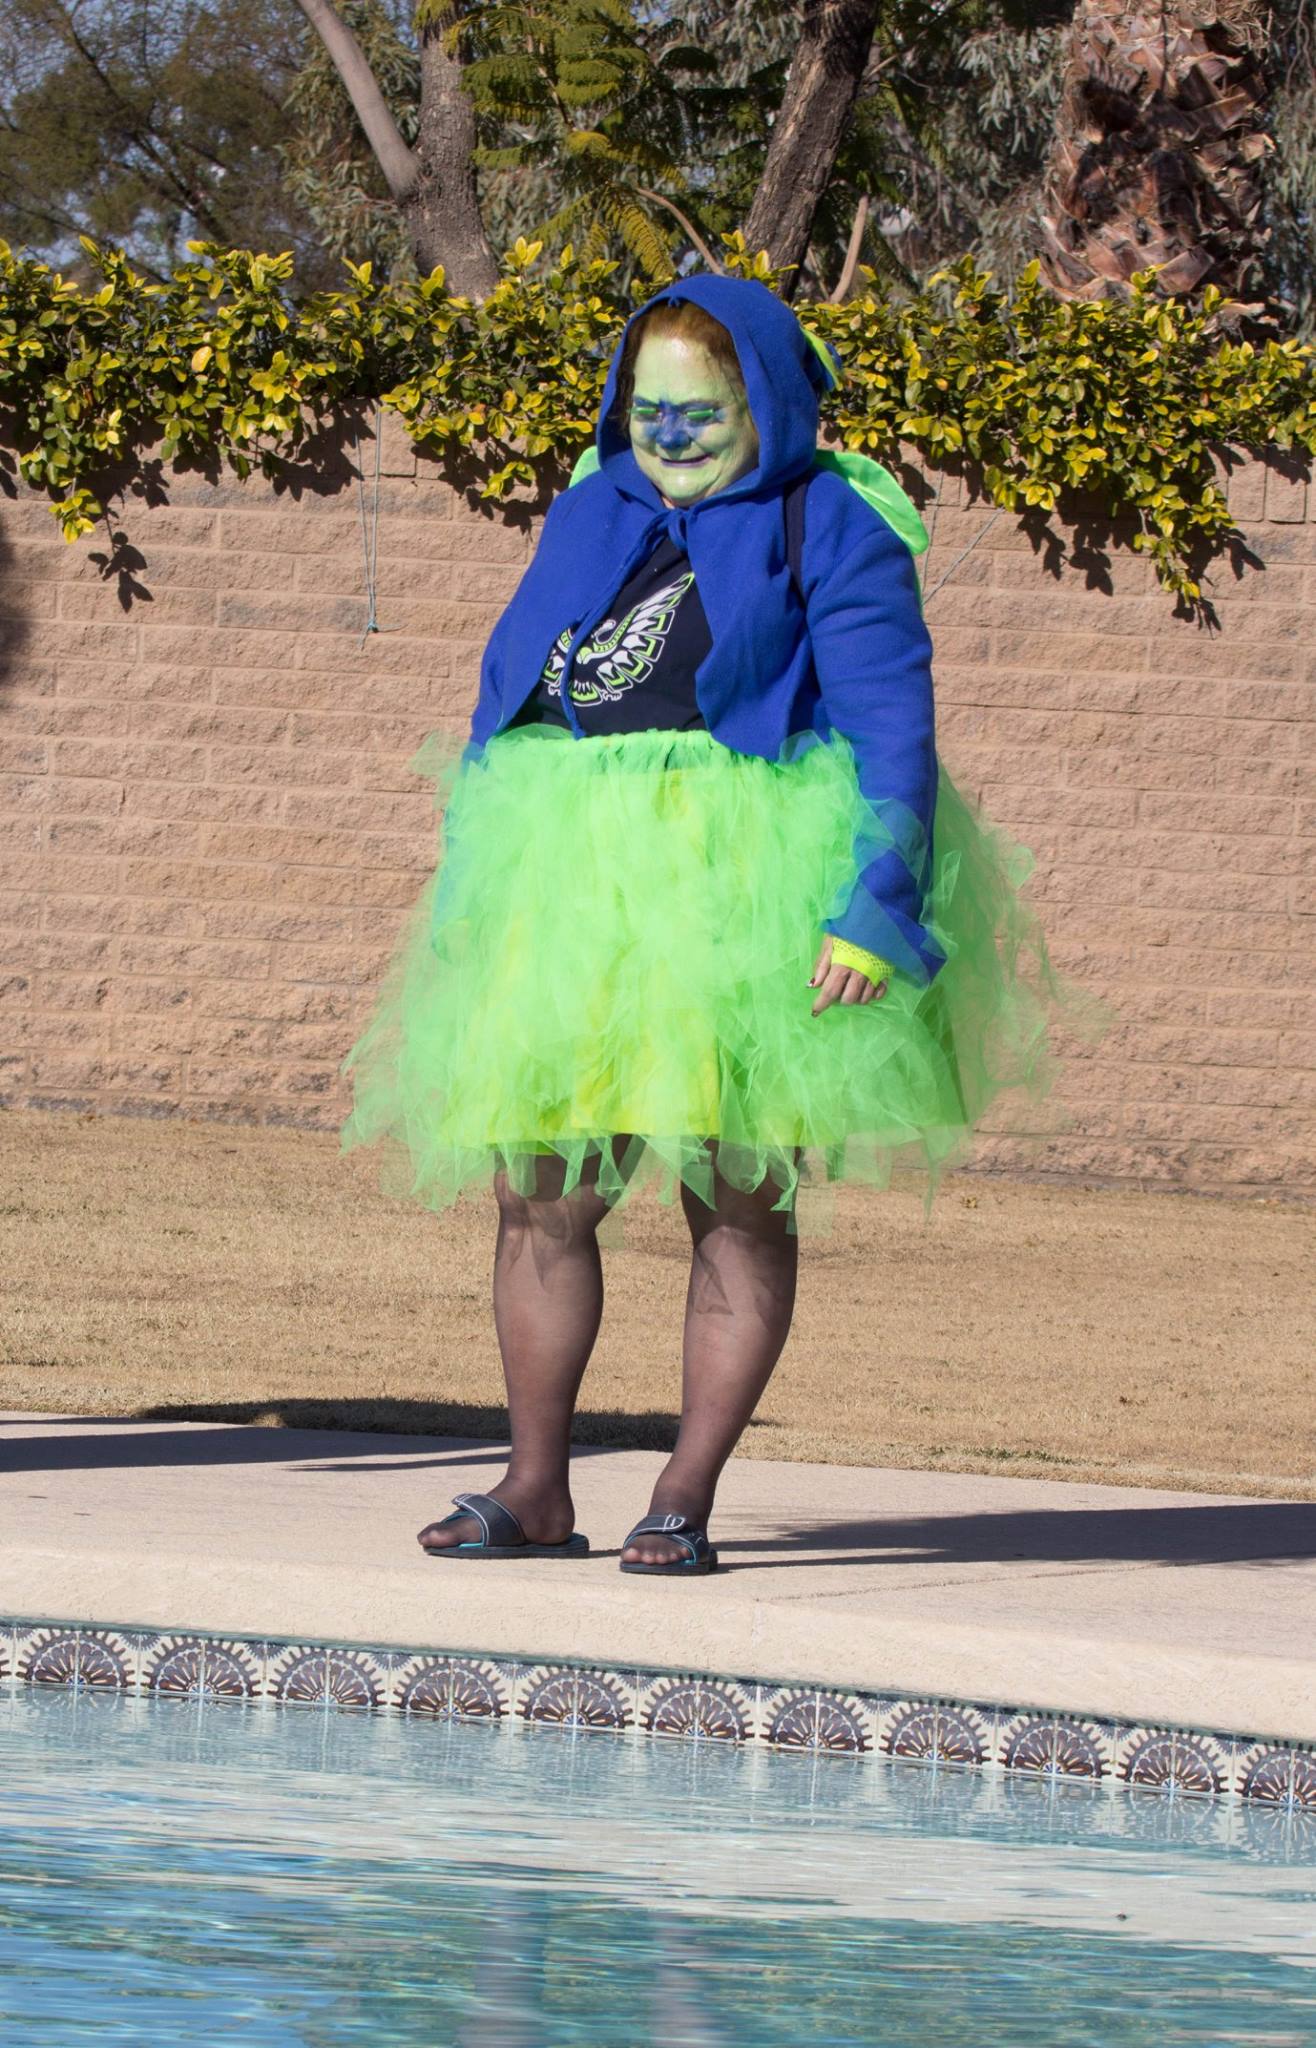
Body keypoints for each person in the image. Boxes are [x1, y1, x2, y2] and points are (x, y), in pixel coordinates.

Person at [337, 274, 1111, 1575]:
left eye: (701, 412)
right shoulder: (592, 507)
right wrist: (477, 881)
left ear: (764, 403)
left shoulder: (832, 519)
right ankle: (535, 1488)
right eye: (651, 410)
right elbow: (506, 693)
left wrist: (875, 908)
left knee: (740, 1196)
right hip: (574, 882)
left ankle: (682, 1496)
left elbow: (892, 728)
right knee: (541, 1192)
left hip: (749, 882)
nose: (672, 436)